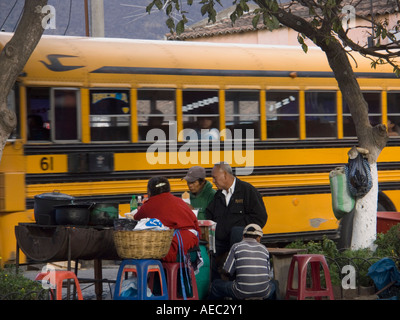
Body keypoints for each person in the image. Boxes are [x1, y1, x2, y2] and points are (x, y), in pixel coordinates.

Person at [205, 162, 268, 280]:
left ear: (224, 175)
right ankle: (216, 287)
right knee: (205, 252)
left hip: (242, 241)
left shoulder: (247, 190)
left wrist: (243, 231)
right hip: (221, 241)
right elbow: (209, 216)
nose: (213, 181)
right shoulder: (218, 195)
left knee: (236, 232)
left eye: (214, 177)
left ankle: (237, 284)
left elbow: (260, 217)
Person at [134, 176, 200, 262]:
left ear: (149, 192)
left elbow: (136, 220)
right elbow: (196, 224)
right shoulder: (180, 201)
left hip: (173, 250)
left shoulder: (148, 206)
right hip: (191, 248)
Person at [208, 224, 275, 300]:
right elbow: (267, 273)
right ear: (259, 237)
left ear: (243, 236)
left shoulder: (236, 246)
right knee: (274, 284)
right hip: (264, 292)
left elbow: (227, 271)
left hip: (241, 292)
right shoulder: (264, 249)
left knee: (216, 285)